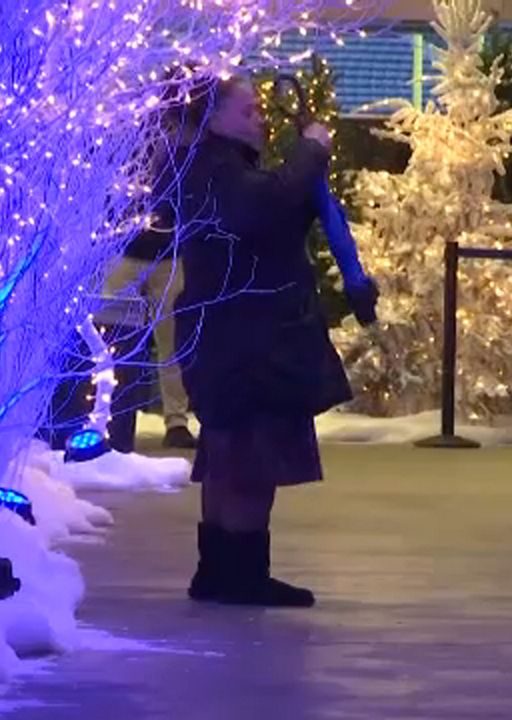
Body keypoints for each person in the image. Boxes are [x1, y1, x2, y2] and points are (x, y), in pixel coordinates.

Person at [172, 73, 366, 608]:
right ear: (212, 119)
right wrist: (312, 150)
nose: (259, 119)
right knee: (248, 465)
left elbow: (270, 207)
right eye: (248, 111)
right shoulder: (218, 172)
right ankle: (238, 577)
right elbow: (265, 206)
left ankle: (224, 571)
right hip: (251, 344)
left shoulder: (214, 169)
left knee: (233, 459)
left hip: (240, 340)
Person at [103, 108, 197, 450]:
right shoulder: (134, 141)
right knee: (113, 336)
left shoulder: (185, 147)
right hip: (129, 251)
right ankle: (109, 414)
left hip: (167, 253)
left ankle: (176, 420)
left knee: (172, 340)